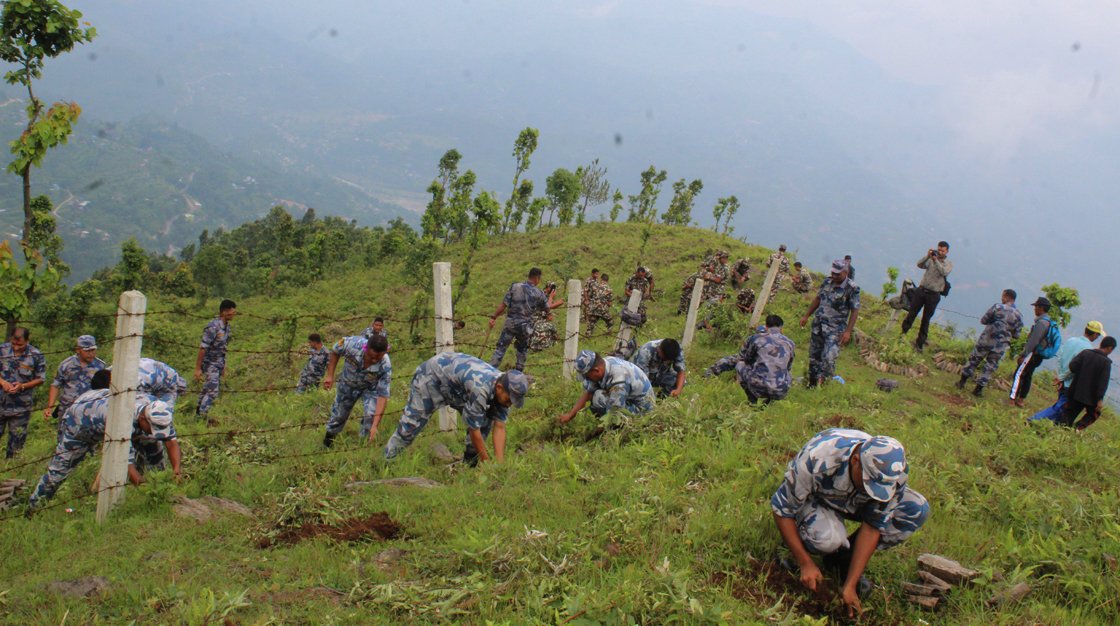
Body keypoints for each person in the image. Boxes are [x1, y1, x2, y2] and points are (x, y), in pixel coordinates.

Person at [772, 429, 929, 619]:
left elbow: (873, 527)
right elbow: (782, 509)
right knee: (826, 540)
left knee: (916, 509)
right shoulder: (818, 457)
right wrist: (805, 563)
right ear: (855, 461)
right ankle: (802, 542)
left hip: (855, 503)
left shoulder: (893, 474)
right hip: (819, 499)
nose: (873, 492)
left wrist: (850, 584)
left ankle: (841, 561)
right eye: (869, 482)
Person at [28, 371, 181, 511]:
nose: (154, 432)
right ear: (143, 419)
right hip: (81, 424)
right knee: (58, 471)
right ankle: (33, 507)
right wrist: (148, 490)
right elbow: (125, 464)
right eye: (151, 428)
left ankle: (162, 484)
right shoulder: (122, 420)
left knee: (153, 444)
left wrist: (176, 471)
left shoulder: (158, 409)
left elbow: (171, 441)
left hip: (106, 412)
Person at [383, 353, 528, 465]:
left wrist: (500, 465)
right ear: (499, 388)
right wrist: (488, 464)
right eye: (509, 400)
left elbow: (500, 427)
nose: (510, 404)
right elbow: (474, 430)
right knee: (411, 425)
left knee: (484, 422)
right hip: (432, 377)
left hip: (458, 387)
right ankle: (388, 460)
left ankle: (469, 464)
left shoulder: (505, 388)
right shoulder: (481, 390)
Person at [706, 315, 795, 403]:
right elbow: (788, 367)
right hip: (781, 391)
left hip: (759, 385)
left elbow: (744, 358)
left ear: (766, 326)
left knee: (740, 364)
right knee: (786, 372)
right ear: (781, 328)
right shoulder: (790, 343)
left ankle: (752, 400)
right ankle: (768, 402)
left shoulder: (756, 338)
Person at [322, 334, 391, 447]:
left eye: (378, 358)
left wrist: (374, 426)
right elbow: (335, 351)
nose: (374, 360)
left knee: (371, 416)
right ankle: (328, 443)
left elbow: (383, 395)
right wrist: (330, 375)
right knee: (339, 415)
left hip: (370, 388)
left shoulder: (385, 364)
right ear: (366, 348)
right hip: (348, 384)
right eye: (371, 356)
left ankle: (364, 446)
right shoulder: (351, 344)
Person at [800, 260, 860, 387]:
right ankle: (811, 384)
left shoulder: (852, 288)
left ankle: (825, 385)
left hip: (835, 329)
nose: (834, 276)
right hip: (819, 325)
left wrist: (848, 331)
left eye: (838, 274)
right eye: (833, 273)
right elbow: (818, 298)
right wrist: (806, 315)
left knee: (828, 357)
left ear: (845, 272)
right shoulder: (827, 282)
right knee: (814, 356)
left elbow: (855, 310)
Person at [1030, 321, 1104, 423]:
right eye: (1098, 335)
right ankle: (1033, 420)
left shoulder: (1071, 340)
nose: (1097, 337)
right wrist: (1062, 378)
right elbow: (1074, 368)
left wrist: (1060, 376)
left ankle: (1051, 429)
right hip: (1071, 384)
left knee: (1063, 409)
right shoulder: (1088, 350)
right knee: (1060, 407)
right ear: (1095, 334)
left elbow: (1060, 357)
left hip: (1062, 380)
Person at [956, 290, 1024, 397]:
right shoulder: (1019, 316)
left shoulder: (997, 307)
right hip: (1000, 346)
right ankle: (978, 390)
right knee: (990, 366)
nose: (1002, 299)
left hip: (986, 340)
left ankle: (962, 382)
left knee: (974, 360)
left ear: (1006, 297)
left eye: (1003, 296)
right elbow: (1017, 335)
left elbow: (984, 320)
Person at [557, 350, 654, 423]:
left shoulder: (619, 378)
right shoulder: (604, 364)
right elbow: (588, 393)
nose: (586, 379)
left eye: (587, 376)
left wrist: (596, 433)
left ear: (596, 371)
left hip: (643, 411)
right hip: (629, 400)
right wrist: (570, 415)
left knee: (599, 397)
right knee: (595, 394)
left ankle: (620, 429)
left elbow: (614, 411)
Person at [44, 335, 107, 442]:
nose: (91, 353)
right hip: (68, 408)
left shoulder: (100, 365)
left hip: (90, 409)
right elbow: (56, 385)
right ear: (78, 350)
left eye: (93, 350)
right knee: (64, 438)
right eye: (87, 351)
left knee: (89, 438)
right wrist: (50, 406)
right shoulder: (66, 365)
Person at [489, 268, 552, 371]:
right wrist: (549, 314)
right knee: (522, 349)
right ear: (537, 278)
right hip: (525, 327)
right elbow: (546, 307)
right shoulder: (539, 293)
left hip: (511, 324)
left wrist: (494, 317)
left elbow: (503, 305)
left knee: (500, 349)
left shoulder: (515, 287)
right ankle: (518, 372)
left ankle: (490, 370)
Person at [0, 327, 46, 458]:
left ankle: (12, 467)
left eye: (20, 345)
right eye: (14, 344)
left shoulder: (36, 355)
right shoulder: (2, 350)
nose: (16, 347)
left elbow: (40, 379)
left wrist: (23, 386)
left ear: (27, 341)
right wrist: (3, 382)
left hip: (20, 406)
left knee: (17, 440)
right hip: (1, 401)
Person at [900, 242, 952, 351]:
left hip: (933, 295)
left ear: (947, 251)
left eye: (942, 250)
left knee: (926, 319)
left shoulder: (948, 263)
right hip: (921, 291)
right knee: (911, 314)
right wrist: (928, 256)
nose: (940, 252)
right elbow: (919, 264)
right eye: (939, 249)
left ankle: (920, 344)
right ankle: (902, 334)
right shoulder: (931, 259)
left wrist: (936, 261)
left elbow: (943, 272)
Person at [1009, 297, 1058, 407]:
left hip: (1032, 354)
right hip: (1039, 354)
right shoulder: (1049, 322)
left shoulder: (1041, 323)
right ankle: (1021, 399)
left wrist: (1024, 354)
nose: (1034, 309)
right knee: (1028, 375)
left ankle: (1012, 399)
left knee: (1019, 374)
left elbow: (1033, 341)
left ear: (1041, 308)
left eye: (1036, 307)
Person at [1059, 336, 1115, 430]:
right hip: (1091, 397)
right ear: (1110, 348)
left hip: (1075, 391)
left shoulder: (1086, 353)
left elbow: (1072, 367)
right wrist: (1100, 399)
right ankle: (1077, 428)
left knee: (1069, 413)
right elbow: (1103, 383)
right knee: (1094, 414)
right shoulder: (1106, 363)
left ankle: (1062, 429)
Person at [195, 299, 236, 419]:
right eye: (232, 311)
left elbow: (224, 348)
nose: (234, 314)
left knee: (207, 389)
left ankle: (197, 413)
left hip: (219, 363)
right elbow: (203, 348)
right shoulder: (213, 327)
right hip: (209, 364)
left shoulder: (227, 327)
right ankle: (202, 416)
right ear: (224, 312)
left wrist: (224, 366)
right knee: (212, 392)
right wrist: (198, 368)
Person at [529, 282, 563, 352]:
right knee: (551, 328)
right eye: (551, 288)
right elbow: (549, 306)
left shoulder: (546, 295)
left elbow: (548, 306)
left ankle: (553, 344)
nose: (552, 290)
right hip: (535, 319)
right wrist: (553, 299)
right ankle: (556, 343)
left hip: (540, 318)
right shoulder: (542, 294)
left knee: (549, 330)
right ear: (547, 288)